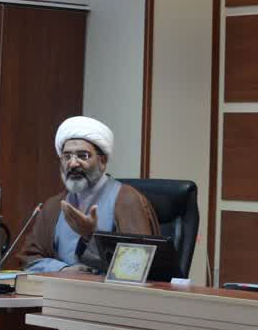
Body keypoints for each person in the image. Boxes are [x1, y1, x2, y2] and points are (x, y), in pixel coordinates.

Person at [21, 116, 159, 273]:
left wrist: (91, 237)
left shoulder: (127, 200)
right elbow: (29, 259)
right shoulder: (53, 205)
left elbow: (136, 267)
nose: (73, 163)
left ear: (103, 161)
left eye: (83, 156)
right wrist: (63, 270)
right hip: (60, 287)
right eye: (67, 156)